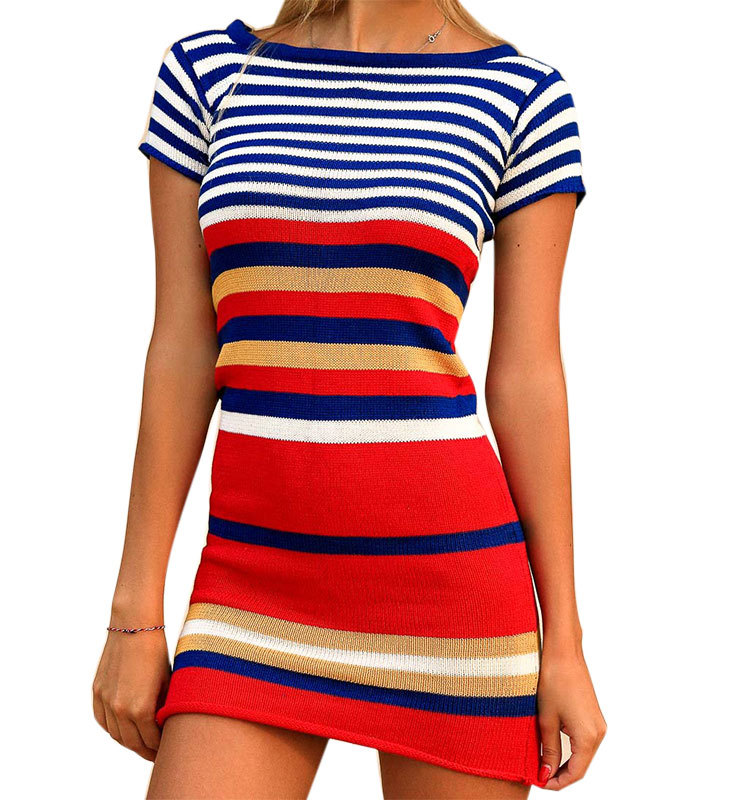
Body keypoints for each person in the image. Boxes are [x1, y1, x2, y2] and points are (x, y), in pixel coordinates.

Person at [93, 2, 606, 797]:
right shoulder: (211, 75)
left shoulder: (520, 95)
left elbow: (527, 376)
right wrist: (136, 610)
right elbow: (184, 349)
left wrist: (564, 642)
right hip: (250, 587)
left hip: (450, 598)